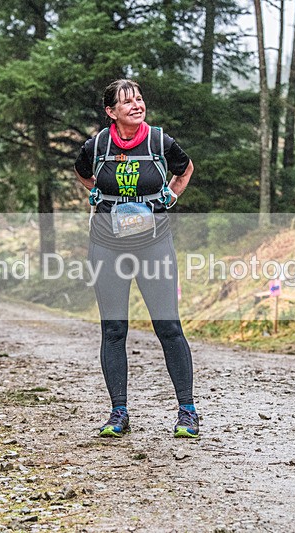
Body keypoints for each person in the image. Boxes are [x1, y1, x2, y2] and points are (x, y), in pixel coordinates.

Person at [74, 79, 198, 438]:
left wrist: (169, 198)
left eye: (139, 99)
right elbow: (83, 173)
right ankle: (118, 413)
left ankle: (187, 412)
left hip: (153, 244)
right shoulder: (97, 144)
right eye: (127, 102)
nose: (136, 105)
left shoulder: (159, 141)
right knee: (114, 329)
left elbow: (185, 168)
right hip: (106, 244)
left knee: (168, 326)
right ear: (111, 112)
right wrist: (100, 195)